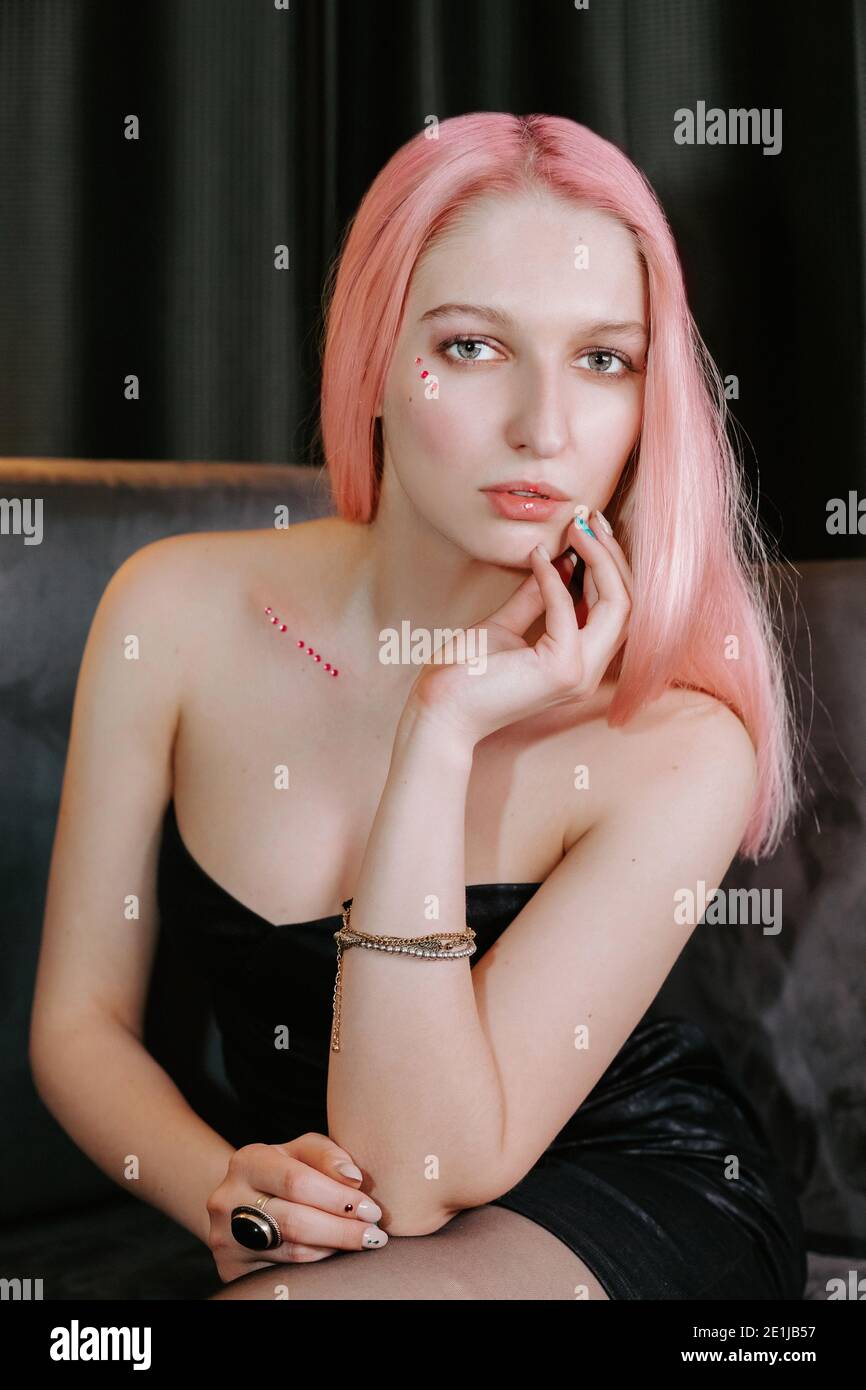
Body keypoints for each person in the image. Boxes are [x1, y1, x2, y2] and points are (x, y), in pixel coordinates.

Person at [29, 112, 808, 1301]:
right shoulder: (171, 610)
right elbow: (78, 1022)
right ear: (374, 357)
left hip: (617, 1190)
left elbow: (417, 1166)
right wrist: (221, 1190)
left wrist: (441, 730)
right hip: (319, 1232)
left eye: (604, 359)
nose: (543, 426)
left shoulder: (679, 740)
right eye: (475, 345)